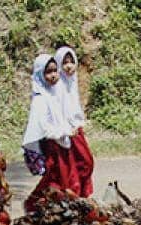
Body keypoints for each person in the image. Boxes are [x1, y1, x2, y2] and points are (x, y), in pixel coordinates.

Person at [21, 53, 76, 212]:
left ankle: (56, 207)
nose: (53, 75)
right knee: (56, 178)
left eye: (55, 71)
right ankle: (34, 204)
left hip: (61, 142)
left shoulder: (54, 93)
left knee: (63, 177)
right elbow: (44, 127)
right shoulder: (40, 99)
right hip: (53, 144)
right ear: (40, 74)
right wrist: (64, 131)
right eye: (48, 72)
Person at [54, 46, 95, 197]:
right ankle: (75, 196)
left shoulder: (72, 81)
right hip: (65, 132)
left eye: (71, 62)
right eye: (65, 62)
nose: (69, 66)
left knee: (85, 163)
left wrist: (80, 122)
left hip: (76, 129)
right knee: (73, 168)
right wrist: (66, 129)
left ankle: (81, 196)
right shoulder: (57, 86)